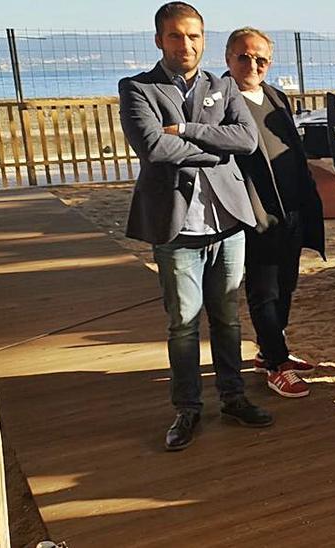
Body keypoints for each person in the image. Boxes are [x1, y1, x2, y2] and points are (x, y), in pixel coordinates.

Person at [118, 1, 273, 451]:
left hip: (228, 224)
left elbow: (245, 140)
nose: (185, 44)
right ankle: (187, 408)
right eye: (175, 36)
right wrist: (213, 146)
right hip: (177, 226)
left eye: (193, 36)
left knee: (227, 317)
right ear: (159, 40)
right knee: (183, 323)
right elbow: (152, 149)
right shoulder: (137, 88)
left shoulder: (222, 85)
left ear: (203, 40)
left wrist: (183, 129)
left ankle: (234, 397)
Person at [224, 27, 327, 398]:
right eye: (244, 57)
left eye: (261, 58)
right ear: (228, 58)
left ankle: (273, 350)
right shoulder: (220, 99)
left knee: (287, 285)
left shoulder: (275, 96)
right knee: (263, 290)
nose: (253, 64)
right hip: (255, 213)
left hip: (293, 210)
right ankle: (276, 365)